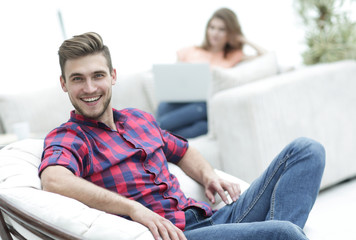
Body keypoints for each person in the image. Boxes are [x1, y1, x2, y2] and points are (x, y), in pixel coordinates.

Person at [39, 32, 325, 240]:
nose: (89, 88)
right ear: (64, 84)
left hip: (215, 219)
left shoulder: (139, 119)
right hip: (177, 236)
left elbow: (183, 150)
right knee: (284, 233)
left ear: (113, 76)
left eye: (97, 75)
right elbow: (54, 179)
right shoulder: (69, 137)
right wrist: (133, 209)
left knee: (306, 149)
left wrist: (208, 175)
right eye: (78, 79)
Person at [156, 7, 267, 139]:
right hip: (178, 102)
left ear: (230, 33)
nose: (215, 33)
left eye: (222, 29)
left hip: (204, 106)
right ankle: (159, 134)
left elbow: (265, 56)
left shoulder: (233, 56)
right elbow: (173, 79)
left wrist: (242, 39)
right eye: (212, 27)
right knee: (164, 109)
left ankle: (157, 135)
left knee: (202, 125)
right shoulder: (190, 51)